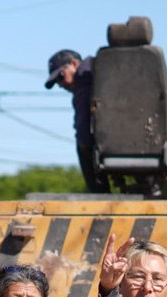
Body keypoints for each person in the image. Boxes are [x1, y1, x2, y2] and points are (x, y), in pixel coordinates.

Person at [44, 49, 108, 193]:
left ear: (74, 64)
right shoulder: (106, 66)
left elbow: (83, 130)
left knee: (82, 145)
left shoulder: (83, 77)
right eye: (56, 82)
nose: (60, 84)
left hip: (111, 144)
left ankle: (100, 195)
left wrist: (85, 146)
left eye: (60, 76)